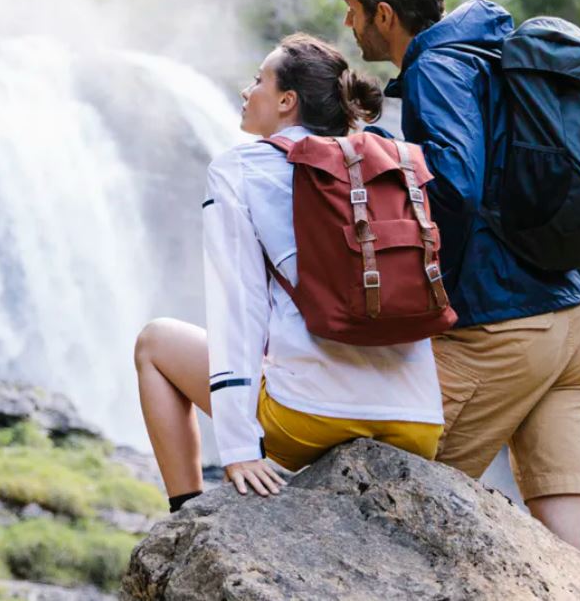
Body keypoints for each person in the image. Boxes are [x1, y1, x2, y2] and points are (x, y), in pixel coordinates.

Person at [328, 0, 580, 563]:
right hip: (571, 324)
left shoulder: (436, 69)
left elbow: (454, 188)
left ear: (384, 14)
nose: (347, 23)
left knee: (389, 501)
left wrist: (430, 305)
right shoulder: (488, 55)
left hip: (502, 326)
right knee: (573, 543)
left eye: (352, 8)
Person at [132, 34, 443, 512]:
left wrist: (239, 448)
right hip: (417, 421)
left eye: (258, 80)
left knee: (155, 341)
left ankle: (184, 511)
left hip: (309, 417)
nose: (246, 90)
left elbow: (240, 304)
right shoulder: (387, 161)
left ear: (286, 101)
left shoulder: (241, 168)